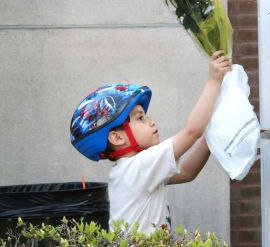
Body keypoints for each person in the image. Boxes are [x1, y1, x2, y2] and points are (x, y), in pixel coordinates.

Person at [69, 51, 231, 233]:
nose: (151, 122)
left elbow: (187, 172)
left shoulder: (132, 171)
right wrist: (214, 81)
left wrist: (210, 137)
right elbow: (192, 131)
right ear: (116, 137)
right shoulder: (140, 167)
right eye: (140, 118)